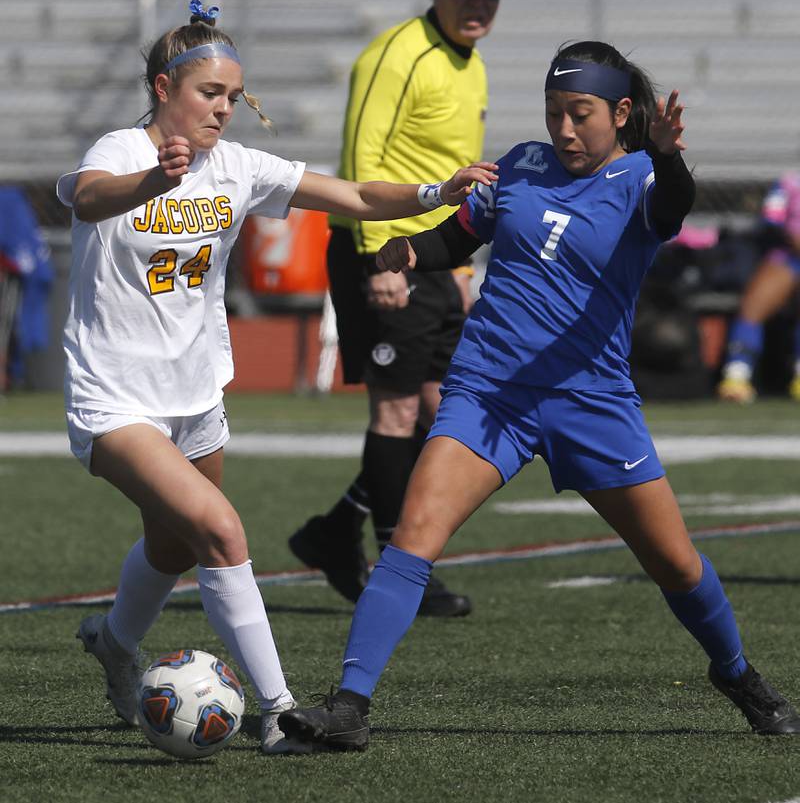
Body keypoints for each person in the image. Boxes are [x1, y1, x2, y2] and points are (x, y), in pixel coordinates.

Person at [278, 40, 800, 750]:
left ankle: (738, 673)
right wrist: (409, 249)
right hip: (489, 391)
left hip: (592, 402)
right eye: (554, 112)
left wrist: (672, 154)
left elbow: (674, 205)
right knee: (413, 536)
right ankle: (349, 703)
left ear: (620, 113)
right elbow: (459, 236)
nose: (563, 129)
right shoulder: (521, 163)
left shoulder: (645, 179)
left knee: (675, 563)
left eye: (580, 114)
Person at [57, 0, 497, 756]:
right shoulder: (122, 148)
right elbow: (84, 194)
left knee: (171, 546)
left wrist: (435, 194)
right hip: (114, 397)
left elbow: (354, 197)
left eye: (232, 95)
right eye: (209, 93)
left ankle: (115, 641)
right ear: (164, 89)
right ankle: (279, 710)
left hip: (196, 394)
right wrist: (148, 185)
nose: (224, 108)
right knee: (221, 531)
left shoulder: (234, 166)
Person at [287, 0, 507, 618]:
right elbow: (361, 155)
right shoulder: (395, 52)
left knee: (446, 417)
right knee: (396, 413)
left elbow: (458, 170)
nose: (479, 5)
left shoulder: (471, 64)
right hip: (385, 255)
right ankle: (399, 570)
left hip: (437, 259)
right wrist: (379, 257)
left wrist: (461, 265)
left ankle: (336, 529)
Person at [717, 173, 800, 403]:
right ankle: (737, 375)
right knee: (753, 305)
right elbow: (772, 217)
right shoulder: (789, 183)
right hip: (788, 255)